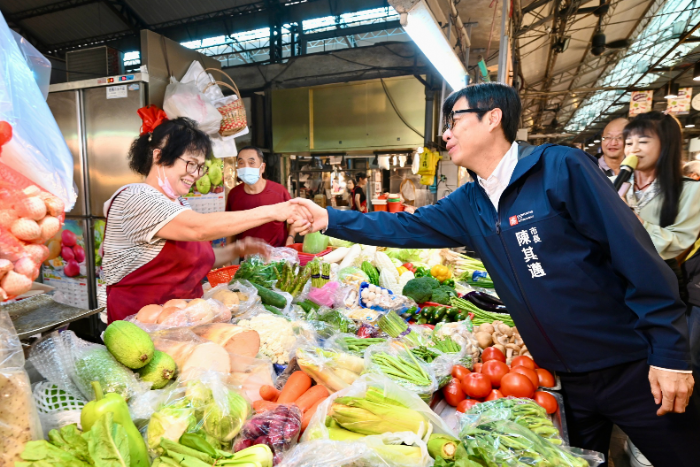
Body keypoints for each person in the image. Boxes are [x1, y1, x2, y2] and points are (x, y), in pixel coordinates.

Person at [289, 83, 699, 467]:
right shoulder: (470, 201)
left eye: (454, 121)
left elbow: (638, 258)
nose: (445, 135)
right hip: (564, 380)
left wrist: (670, 355)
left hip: (630, 366)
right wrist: (328, 217)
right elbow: (402, 228)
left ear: (492, 118)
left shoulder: (560, 168)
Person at [102, 118, 311, 323]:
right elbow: (198, 228)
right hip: (139, 324)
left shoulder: (180, 203)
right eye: (191, 164)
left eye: (200, 167)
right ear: (158, 156)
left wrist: (236, 250)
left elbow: (191, 259)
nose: (195, 175)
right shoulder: (136, 197)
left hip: (183, 320)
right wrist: (274, 211)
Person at [622, 112, 700, 301]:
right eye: (629, 142)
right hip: (614, 275)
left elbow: (678, 242)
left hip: (658, 279)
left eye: (643, 141)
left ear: (666, 145)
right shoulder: (611, 184)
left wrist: (631, 217)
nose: (633, 149)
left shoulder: (690, 190)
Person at [226, 146, 294, 248]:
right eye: (241, 163)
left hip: (277, 254)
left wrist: (290, 238)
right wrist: (228, 255)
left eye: (251, 163)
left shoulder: (279, 191)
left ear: (262, 167)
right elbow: (230, 226)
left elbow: (294, 218)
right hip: (247, 259)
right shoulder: (234, 194)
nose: (246, 167)